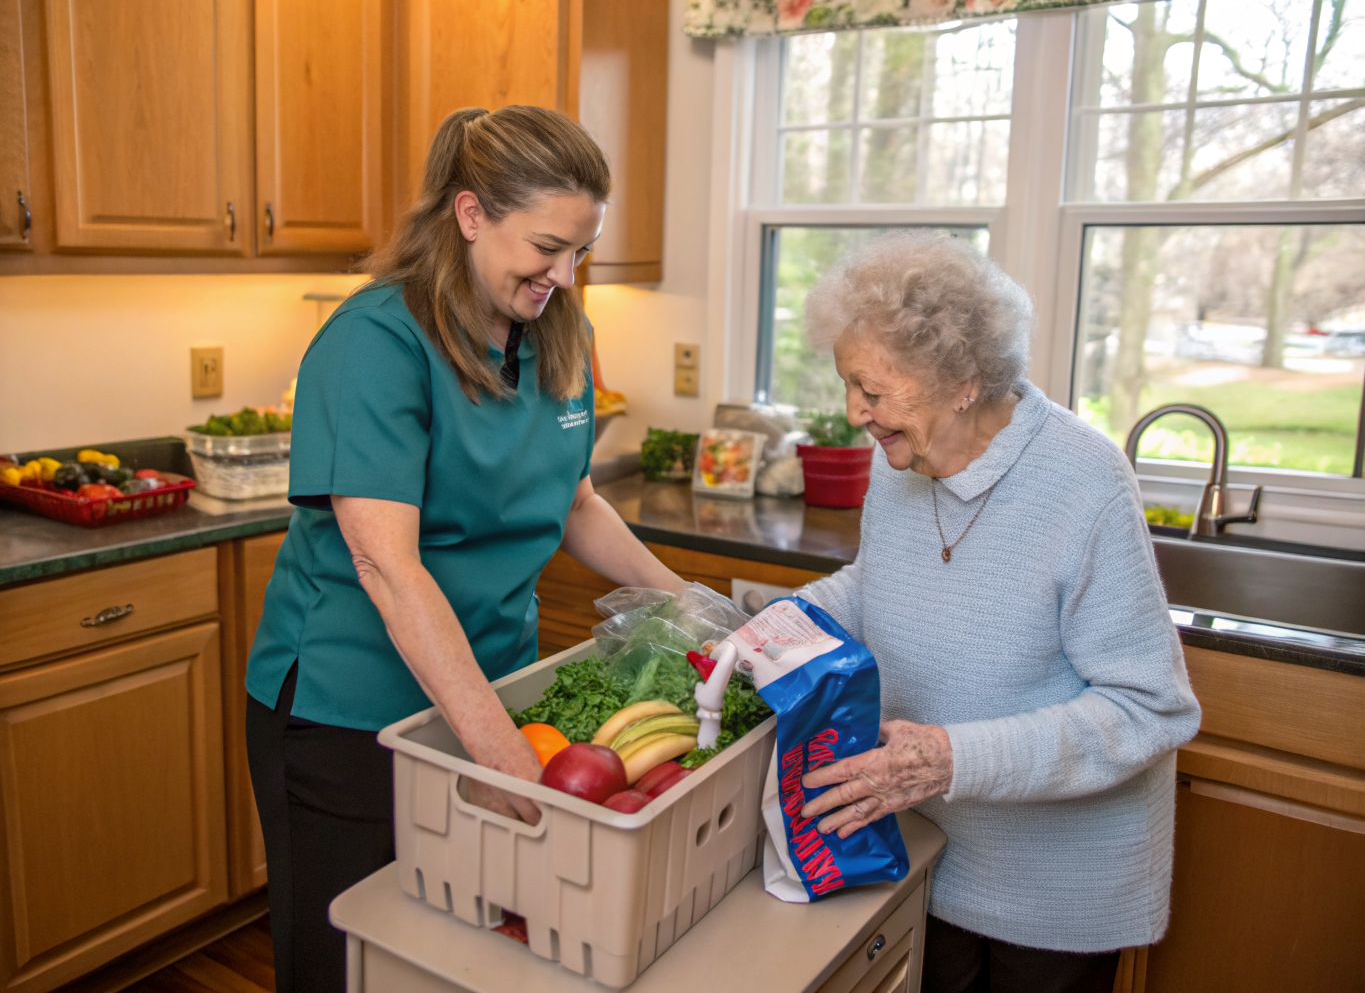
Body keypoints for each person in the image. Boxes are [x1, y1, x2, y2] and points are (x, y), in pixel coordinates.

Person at [244, 105, 687, 993]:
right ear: (472, 214)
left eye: (581, 252)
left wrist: (691, 607)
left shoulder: (562, 330)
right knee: (349, 953)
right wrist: (504, 756)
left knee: (466, 952)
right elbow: (384, 565)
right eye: (547, 247)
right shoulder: (374, 341)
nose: (563, 275)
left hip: (492, 689)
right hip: (350, 707)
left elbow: (575, 503)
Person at [791, 232, 1202, 993]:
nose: (854, 413)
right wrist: (772, 623)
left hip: (1052, 891)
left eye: (871, 391)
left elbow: (1149, 710)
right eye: (847, 384)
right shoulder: (905, 461)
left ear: (962, 381)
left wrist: (951, 759)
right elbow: (878, 583)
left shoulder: (1082, 482)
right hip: (925, 850)